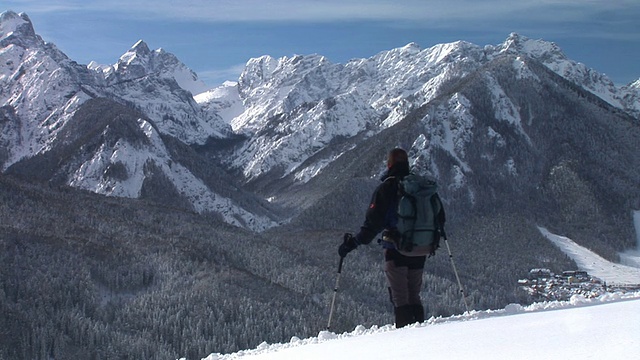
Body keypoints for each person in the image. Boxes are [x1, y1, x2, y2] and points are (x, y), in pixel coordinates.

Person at [338, 148, 445, 328]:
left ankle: (405, 339)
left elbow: (372, 224)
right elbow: (440, 218)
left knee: (400, 298)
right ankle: (421, 335)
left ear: (389, 164)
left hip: (396, 249)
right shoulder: (421, 187)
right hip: (421, 247)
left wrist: (352, 243)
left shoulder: (387, 187)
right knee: (414, 295)